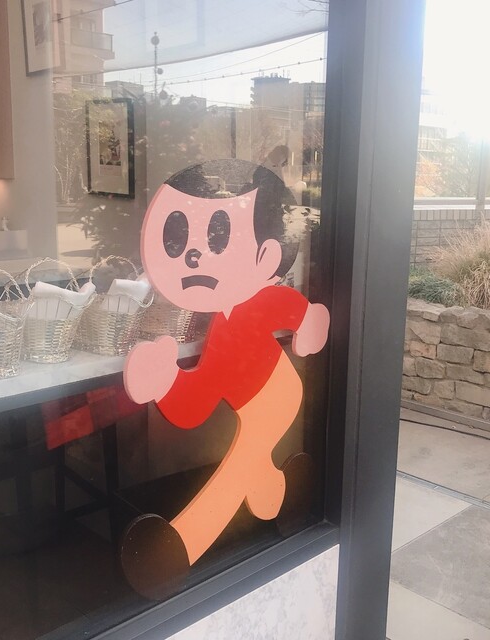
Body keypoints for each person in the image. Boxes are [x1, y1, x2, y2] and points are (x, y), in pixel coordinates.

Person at [121, 159, 330, 600]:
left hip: (277, 397)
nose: (193, 255)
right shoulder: (221, 327)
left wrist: (309, 323)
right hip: (257, 403)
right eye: (177, 238)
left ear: (266, 256)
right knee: (250, 464)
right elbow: (199, 397)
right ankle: (285, 492)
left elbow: (288, 307)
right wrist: (164, 382)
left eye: (217, 237)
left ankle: (180, 548)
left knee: (236, 468)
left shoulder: (252, 307)